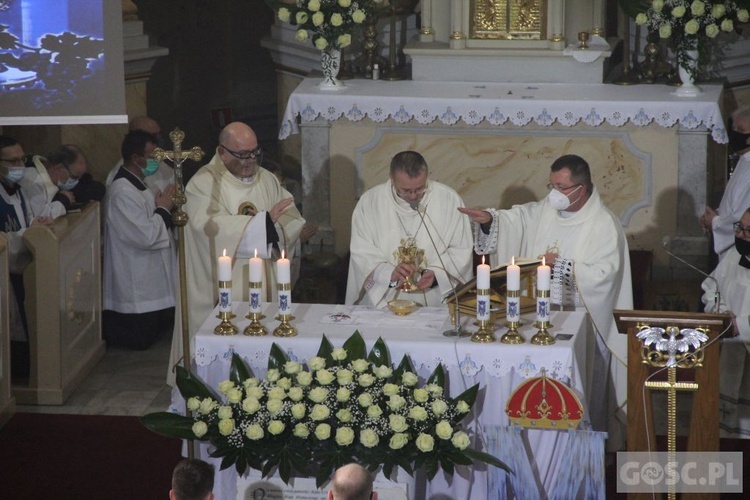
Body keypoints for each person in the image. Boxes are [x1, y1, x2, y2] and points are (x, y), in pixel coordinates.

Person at [459, 153, 633, 445]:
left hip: (585, 325)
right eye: (551, 185)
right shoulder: (545, 210)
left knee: (582, 392)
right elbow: (518, 219)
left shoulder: (604, 224)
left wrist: (562, 264)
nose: (554, 194)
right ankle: (534, 441)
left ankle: (582, 447)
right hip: (533, 317)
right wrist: (490, 219)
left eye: (562, 187)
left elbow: (605, 275)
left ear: (582, 188)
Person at [169, 122, 304, 378]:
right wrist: (263, 224)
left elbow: (291, 218)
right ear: (222, 152)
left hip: (264, 288)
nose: (250, 160)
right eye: (242, 154)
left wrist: (273, 227)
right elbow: (204, 229)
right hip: (219, 290)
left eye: (255, 152)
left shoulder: (266, 179)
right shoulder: (203, 184)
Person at [346, 151, 473, 308]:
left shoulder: (449, 199)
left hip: (434, 299)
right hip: (384, 298)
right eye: (405, 190)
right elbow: (361, 249)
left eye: (420, 188)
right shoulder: (370, 202)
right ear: (392, 179)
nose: (413, 196)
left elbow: (461, 248)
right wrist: (387, 273)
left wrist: (435, 274)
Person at [102, 130, 176, 350]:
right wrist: (164, 208)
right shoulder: (122, 191)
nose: (156, 162)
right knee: (140, 338)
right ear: (136, 158)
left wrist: (165, 208)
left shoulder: (143, 183)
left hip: (150, 277)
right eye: (152, 156)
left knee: (155, 333)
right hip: (135, 277)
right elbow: (145, 235)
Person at [0, 135, 53, 377]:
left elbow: (25, 220)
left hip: (22, 272)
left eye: (22, 159)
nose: (20, 166)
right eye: (12, 162)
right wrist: (28, 233)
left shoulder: (17, 190)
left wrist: (36, 224)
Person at [702, 207, 750, 438]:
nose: (740, 234)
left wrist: (740, 325)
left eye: (747, 230)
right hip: (728, 351)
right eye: (739, 227)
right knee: (727, 437)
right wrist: (719, 311)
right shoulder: (733, 255)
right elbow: (710, 288)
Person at [700, 106, 750, 262]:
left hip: (740, 249)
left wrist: (715, 222)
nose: (734, 134)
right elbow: (734, 200)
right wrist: (717, 213)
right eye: (733, 128)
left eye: (740, 130)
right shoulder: (745, 158)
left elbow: (743, 216)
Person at [106, 116, 174, 194]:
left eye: (159, 135)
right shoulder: (120, 178)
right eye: (153, 136)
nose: (158, 140)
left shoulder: (159, 163)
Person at [20, 143, 89, 219]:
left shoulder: (53, 182)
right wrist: (63, 200)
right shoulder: (33, 181)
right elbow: (40, 218)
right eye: (74, 177)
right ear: (59, 167)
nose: (76, 182)